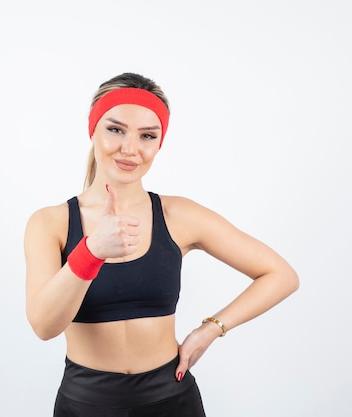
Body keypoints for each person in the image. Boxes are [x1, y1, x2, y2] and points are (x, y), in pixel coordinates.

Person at [23, 72, 299, 417]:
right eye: (115, 129)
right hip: (86, 403)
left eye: (147, 136)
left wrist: (212, 328)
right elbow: (44, 326)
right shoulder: (50, 223)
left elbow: (281, 275)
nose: (130, 148)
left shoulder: (179, 214)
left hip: (172, 399)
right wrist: (92, 250)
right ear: (92, 129)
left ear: (159, 142)